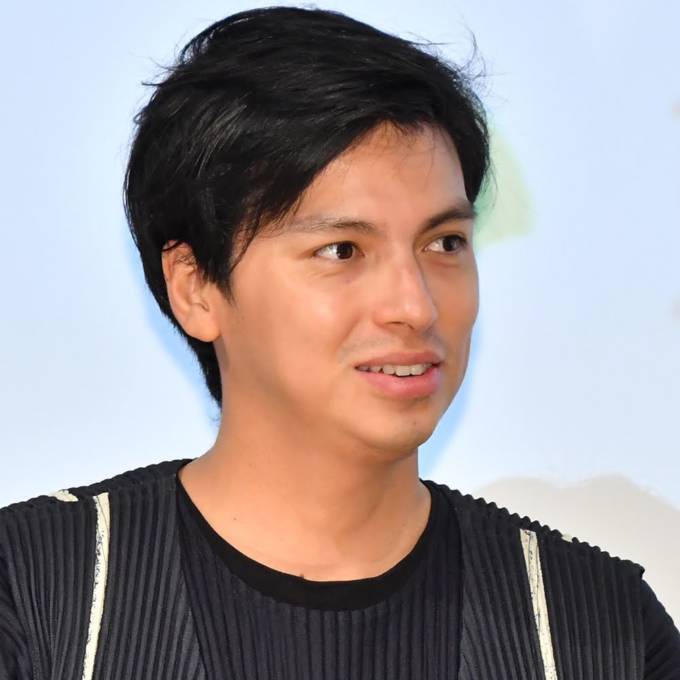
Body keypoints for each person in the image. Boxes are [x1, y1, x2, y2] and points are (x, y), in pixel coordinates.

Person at [1, 6, 678, 679]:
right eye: (342, 250)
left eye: (445, 243)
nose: (415, 306)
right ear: (196, 286)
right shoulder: (38, 596)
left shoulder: (598, 629)